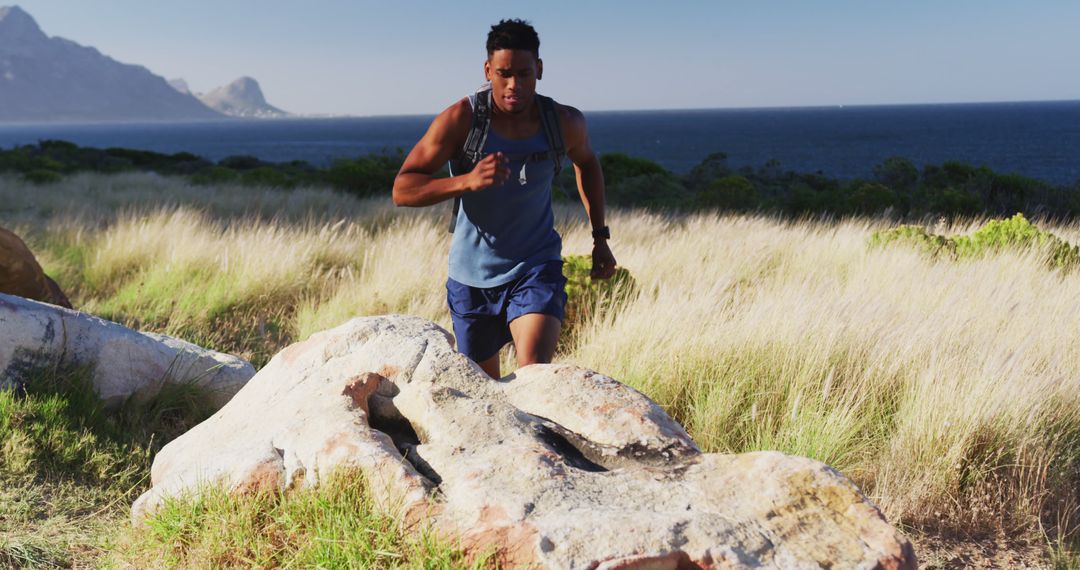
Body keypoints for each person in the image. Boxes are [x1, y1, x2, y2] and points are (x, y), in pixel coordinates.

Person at [392, 18, 616, 379]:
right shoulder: (460, 120)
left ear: (539, 70)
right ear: (487, 70)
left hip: (535, 265)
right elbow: (403, 189)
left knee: (533, 374)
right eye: (504, 73)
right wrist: (467, 181)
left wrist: (600, 237)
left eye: (524, 74)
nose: (514, 85)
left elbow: (587, 163)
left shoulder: (564, 123)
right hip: (471, 277)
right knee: (487, 391)